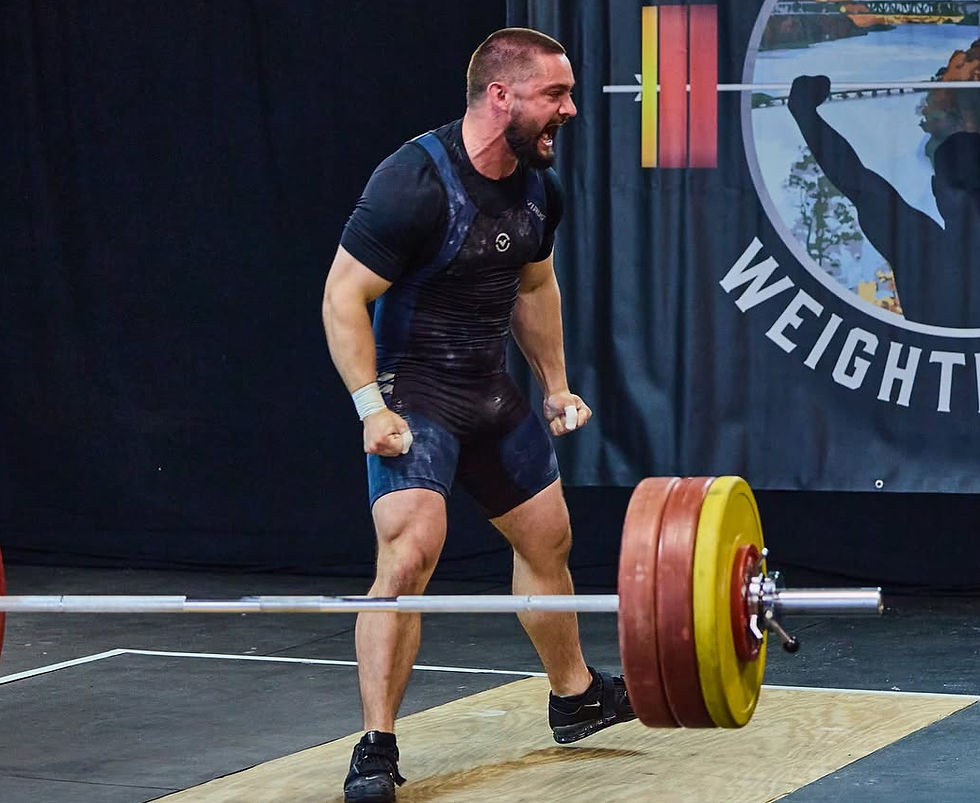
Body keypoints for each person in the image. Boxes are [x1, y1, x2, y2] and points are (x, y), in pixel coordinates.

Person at [322, 27, 635, 803]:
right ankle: (376, 746)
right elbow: (342, 297)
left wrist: (556, 385)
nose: (569, 110)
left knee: (549, 540)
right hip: (414, 394)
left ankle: (575, 695)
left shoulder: (539, 188)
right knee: (408, 556)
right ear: (501, 95)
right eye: (555, 94)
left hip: (488, 390)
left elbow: (533, 285)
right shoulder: (413, 182)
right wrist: (370, 407)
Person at [788, 74, 980, 328]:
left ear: (936, 190)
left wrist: (805, 113)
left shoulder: (921, 246)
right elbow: (855, 181)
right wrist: (804, 112)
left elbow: (854, 180)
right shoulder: (921, 244)